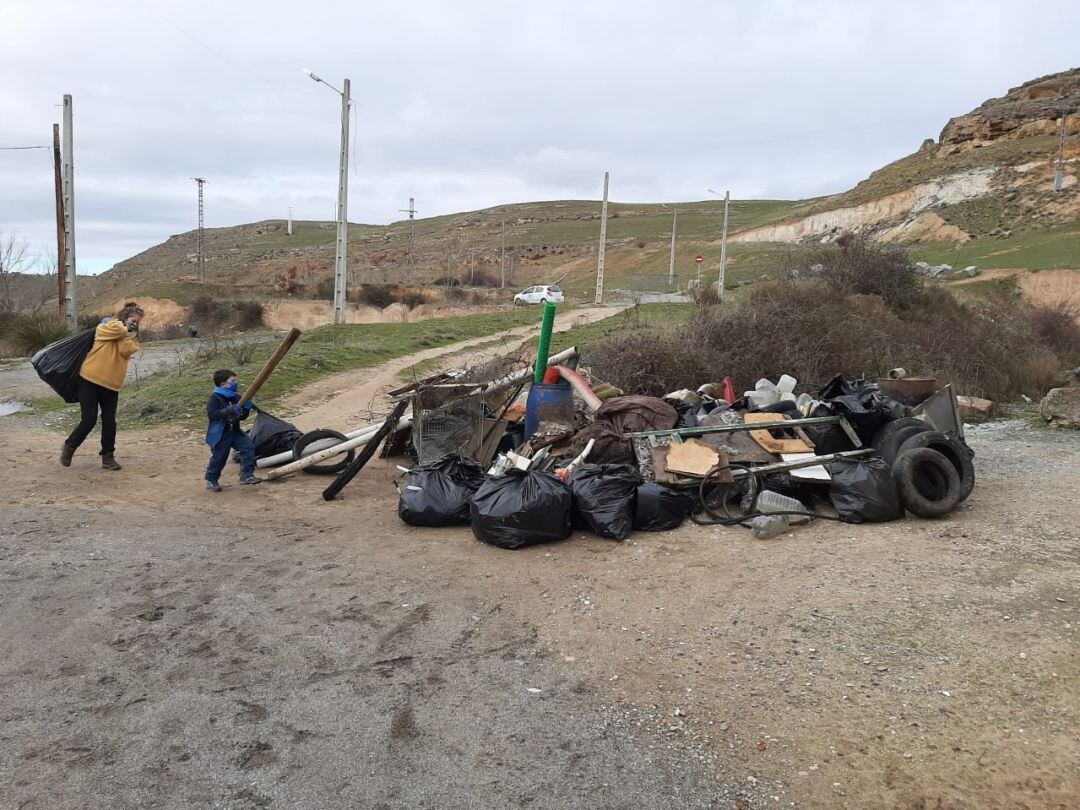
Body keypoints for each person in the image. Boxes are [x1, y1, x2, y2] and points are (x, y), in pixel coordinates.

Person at [61, 302, 144, 470]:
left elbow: (126, 350)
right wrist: (124, 328)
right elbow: (111, 329)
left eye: (138, 322)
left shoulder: (131, 338)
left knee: (109, 421)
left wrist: (127, 333)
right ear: (124, 318)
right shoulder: (106, 327)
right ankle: (69, 446)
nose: (135, 324)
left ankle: (108, 456)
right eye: (133, 320)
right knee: (89, 419)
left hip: (111, 384)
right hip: (89, 379)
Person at [204, 369, 262, 492]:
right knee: (219, 458)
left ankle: (246, 475)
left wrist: (246, 409)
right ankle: (211, 480)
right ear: (223, 384)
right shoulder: (215, 398)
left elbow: (243, 417)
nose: (236, 383)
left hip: (235, 432)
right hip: (221, 434)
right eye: (233, 381)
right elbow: (212, 415)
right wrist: (229, 410)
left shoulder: (235, 396)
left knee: (249, 448)